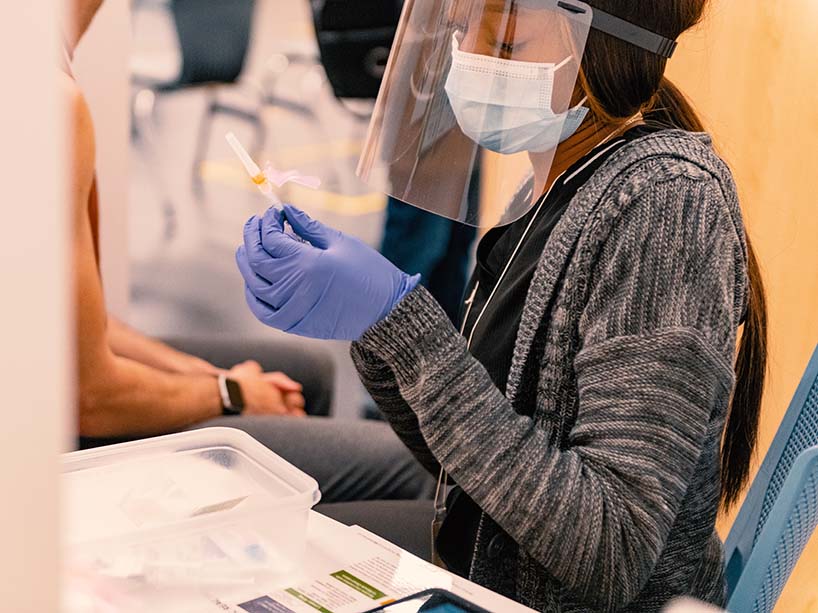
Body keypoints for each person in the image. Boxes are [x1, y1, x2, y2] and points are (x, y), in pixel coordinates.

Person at [236, 0, 768, 610]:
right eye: (463, 32)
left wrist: (405, 330)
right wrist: (374, 329)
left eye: (506, 43)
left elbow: (609, 550)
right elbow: (475, 460)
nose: (472, 61)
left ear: (601, 49)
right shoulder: (553, 185)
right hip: (483, 559)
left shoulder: (665, 209)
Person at [61, 0, 435, 506]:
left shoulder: (50, 69)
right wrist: (233, 395)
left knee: (308, 371)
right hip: (53, 444)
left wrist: (216, 378)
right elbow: (91, 397)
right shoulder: (52, 104)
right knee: (412, 472)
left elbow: (88, 331)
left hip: (66, 390)